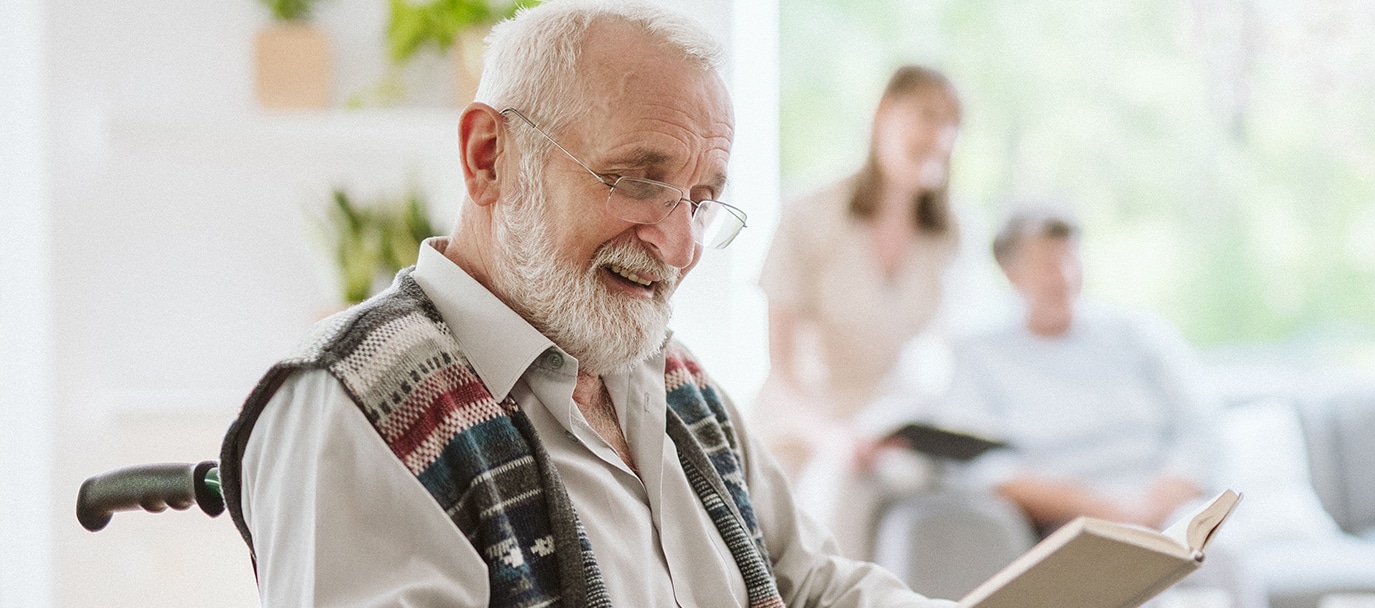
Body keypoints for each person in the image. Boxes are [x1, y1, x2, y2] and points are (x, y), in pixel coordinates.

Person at [215, 3, 952, 606]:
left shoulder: (675, 379)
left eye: (701, 201)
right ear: (488, 157)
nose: (680, 244)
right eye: (638, 180)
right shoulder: (354, 404)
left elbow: (815, 585)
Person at [754, 66, 964, 556]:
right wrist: (833, 438)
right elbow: (781, 372)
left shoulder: (947, 235)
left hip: (889, 430)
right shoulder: (808, 215)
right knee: (835, 488)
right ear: (882, 114)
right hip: (804, 426)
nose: (942, 135)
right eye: (928, 116)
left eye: (953, 124)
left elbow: (940, 355)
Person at [934, 209, 1216, 533]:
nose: (1065, 277)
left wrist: (1158, 501)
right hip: (1068, 520)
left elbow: (1200, 424)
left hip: (1167, 504)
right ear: (1011, 271)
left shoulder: (1137, 332)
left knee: (1218, 548)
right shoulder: (980, 355)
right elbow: (979, 466)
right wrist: (1091, 506)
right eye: (1048, 265)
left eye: (1071, 260)